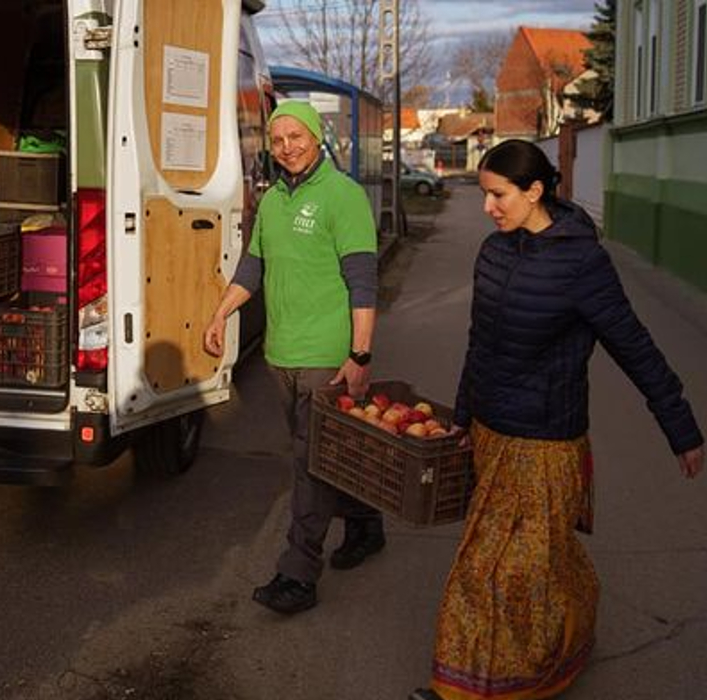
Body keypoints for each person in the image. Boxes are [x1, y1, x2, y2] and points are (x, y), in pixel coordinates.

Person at [409, 139, 705, 700]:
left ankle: (506, 681)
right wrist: (463, 416)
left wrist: (680, 426)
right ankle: (476, 680)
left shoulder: (581, 262)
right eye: (485, 194)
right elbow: (480, 346)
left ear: (535, 191)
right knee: (498, 564)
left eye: (498, 195)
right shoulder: (493, 253)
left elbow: (634, 346)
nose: (488, 207)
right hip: (491, 437)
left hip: (546, 445)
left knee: (515, 572)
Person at [204, 100, 385, 615]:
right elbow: (252, 269)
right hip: (281, 353)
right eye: (277, 140)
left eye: (296, 137)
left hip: (327, 354)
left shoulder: (342, 196)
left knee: (309, 464)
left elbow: (363, 281)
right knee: (322, 457)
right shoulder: (273, 203)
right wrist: (220, 316)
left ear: (316, 136)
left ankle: (298, 574)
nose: (287, 148)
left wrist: (360, 353)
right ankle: (366, 522)